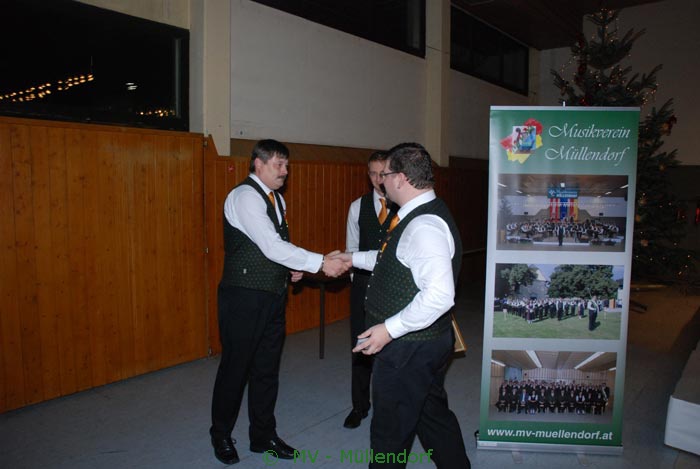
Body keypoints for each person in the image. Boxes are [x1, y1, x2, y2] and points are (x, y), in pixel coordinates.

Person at [209, 139, 348, 465]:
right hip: (243, 297)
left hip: (272, 297)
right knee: (235, 369)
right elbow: (270, 245)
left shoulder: (277, 200)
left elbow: (277, 249)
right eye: (278, 165)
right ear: (258, 164)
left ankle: (263, 436)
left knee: (266, 370)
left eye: (287, 165)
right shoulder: (245, 197)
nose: (285, 171)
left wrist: (292, 268)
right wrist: (319, 263)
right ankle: (221, 435)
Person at [335, 142, 470, 468]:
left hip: (408, 348)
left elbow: (439, 295)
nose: (381, 180)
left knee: (389, 434)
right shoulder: (417, 213)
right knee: (431, 415)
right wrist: (351, 258)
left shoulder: (423, 226)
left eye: (385, 174)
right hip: (421, 345)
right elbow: (393, 258)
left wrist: (388, 329)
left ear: (400, 178)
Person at [343, 150, 396, 429]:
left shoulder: (403, 205)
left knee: (393, 349)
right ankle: (359, 406)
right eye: (373, 174)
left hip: (394, 286)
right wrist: (357, 282)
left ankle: (390, 407)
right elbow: (351, 248)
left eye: (383, 173)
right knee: (360, 346)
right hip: (363, 285)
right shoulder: (357, 207)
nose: (378, 179)